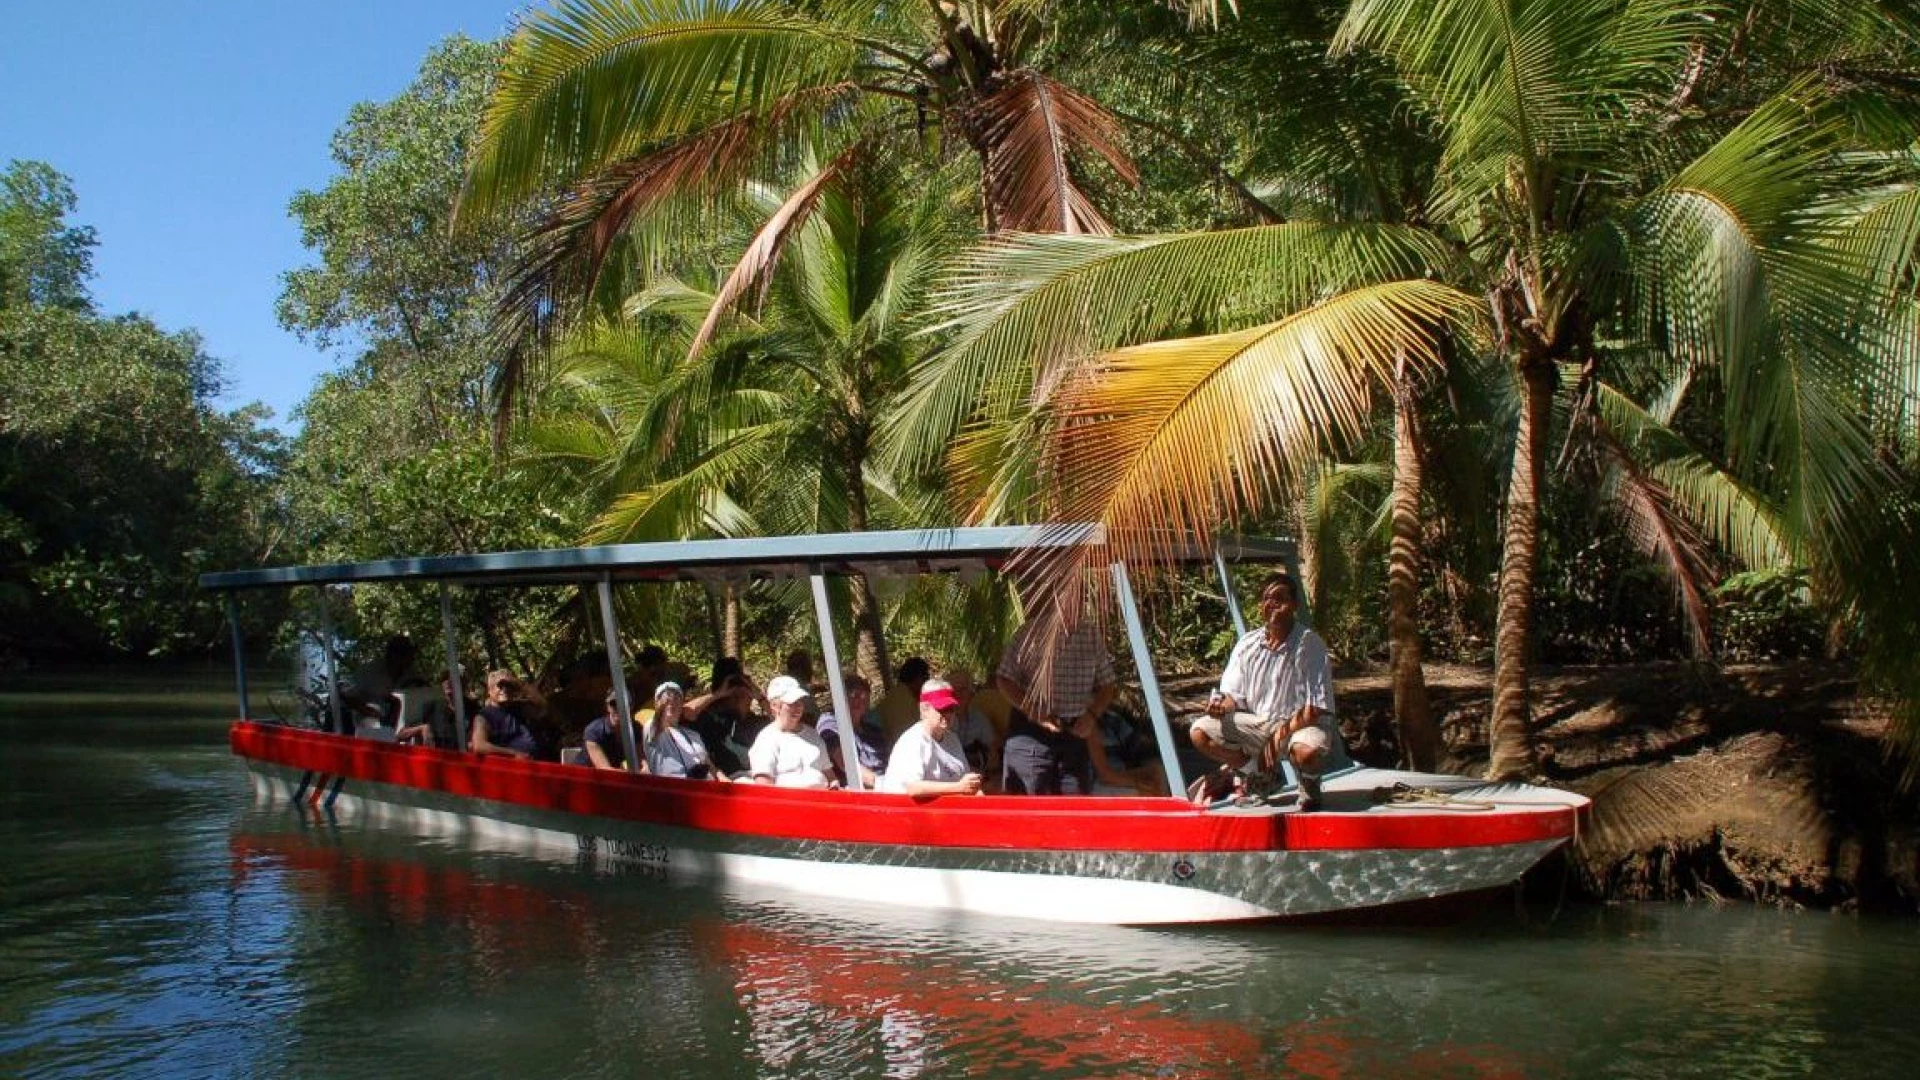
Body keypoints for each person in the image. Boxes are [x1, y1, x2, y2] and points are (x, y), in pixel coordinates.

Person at [1190, 572, 1336, 810]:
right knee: (1200, 732)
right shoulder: (1247, 644)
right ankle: (1259, 775)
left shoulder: (1310, 644)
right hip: (1260, 723)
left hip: (1301, 725)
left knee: (1305, 753)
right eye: (1268, 598)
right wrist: (1220, 706)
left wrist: (1276, 738)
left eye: (1281, 598)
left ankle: (1309, 785)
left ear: (1294, 605)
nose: (1273, 604)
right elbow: (1232, 696)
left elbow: (1315, 708)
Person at [995, 604, 1117, 796]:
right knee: (1029, 812)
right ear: (1057, 601)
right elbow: (1004, 679)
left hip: (1075, 733)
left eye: (1080, 598)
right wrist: (1033, 711)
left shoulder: (1090, 634)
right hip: (1031, 734)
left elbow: (1108, 685)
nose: (1075, 606)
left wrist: (1092, 716)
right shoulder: (1030, 632)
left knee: (1074, 809)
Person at [880, 679, 983, 797]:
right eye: (942, 709)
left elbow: (965, 779)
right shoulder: (913, 741)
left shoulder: (952, 739)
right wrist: (958, 787)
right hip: (908, 812)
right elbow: (914, 788)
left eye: (951, 709)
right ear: (924, 710)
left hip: (945, 810)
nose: (948, 715)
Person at [744, 675, 835, 788]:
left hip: (824, 799)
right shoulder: (766, 740)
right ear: (774, 706)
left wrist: (835, 787)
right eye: (791, 703)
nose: (798, 707)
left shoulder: (813, 735)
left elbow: (830, 775)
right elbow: (764, 786)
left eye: (800, 702)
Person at [817, 672, 887, 789]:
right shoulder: (829, 723)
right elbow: (846, 763)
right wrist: (880, 783)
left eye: (865, 695)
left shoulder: (873, 731)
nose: (860, 699)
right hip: (855, 789)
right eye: (855, 694)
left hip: (884, 784)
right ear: (841, 697)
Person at [644, 682, 716, 779]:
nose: (671, 700)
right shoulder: (651, 728)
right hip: (674, 789)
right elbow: (659, 719)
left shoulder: (693, 735)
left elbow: (710, 766)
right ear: (656, 704)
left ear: (682, 704)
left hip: (705, 787)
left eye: (676, 697)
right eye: (664, 697)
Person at [342, 635, 421, 724]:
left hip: (401, 726)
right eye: (407, 655)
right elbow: (347, 695)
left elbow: (423, 692)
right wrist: (367, 710)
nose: (411, 659)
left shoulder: (412, 673)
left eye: (411, 655)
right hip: (370, 728)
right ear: (393, 655)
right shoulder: (369, 671)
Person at [943, 669, 1001, 780]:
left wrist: (993, 754)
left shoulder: (978, 717)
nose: (958, 694)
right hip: (949, 774)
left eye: (963, 689)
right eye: (954, 690)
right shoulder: (942, 719)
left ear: (970, 692)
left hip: (977, 774)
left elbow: (993, 745)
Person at [470, 669, 540, 759]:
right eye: (500, 686)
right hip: (510, 766)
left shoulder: (518, 707)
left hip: (536, 761)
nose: (505, 689)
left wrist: (519, 684)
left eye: (508, 686)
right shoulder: (484, 717)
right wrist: (514, 754)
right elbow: (479, 746)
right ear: (490, 690)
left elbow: (541, 705)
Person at [582, 689, 647, 772]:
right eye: (614, 704)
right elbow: (605, 770)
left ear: (631, 707)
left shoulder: (636, 729)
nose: (619, 708)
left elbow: (641, 760)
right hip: (584, 777)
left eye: (624, 704)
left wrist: (645, 769)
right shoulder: (593, 731)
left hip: (613, 777)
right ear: (608, 707)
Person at [876, 656, 931, 745]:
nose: (927, 682)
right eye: (926, 678)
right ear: (918, 678)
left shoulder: (898, 695)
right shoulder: (901, 701)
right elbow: (906, 738)